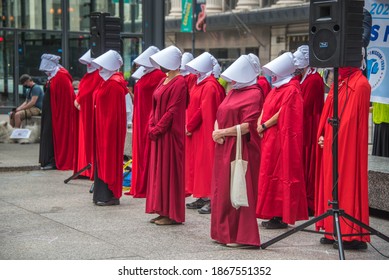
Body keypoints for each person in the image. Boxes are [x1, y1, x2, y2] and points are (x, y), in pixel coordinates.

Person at [315, 65, 371, 250]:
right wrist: (323, 133)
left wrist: (331, 137)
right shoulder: (338, 83)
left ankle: (351, 233)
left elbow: (354, 124)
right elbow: (328, 113)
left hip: (346, 146)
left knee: (346, 181)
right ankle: (332, 229)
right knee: (331, 184)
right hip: (333, 142)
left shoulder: (360, 84)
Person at [211, 53, 264, 247]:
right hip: (224, 144)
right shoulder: (235, 90)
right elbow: (221, 112)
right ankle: (223, 232)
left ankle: (238, 234)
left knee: (237, 188)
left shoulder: (254, 92)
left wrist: (221, 131)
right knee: (222, 189)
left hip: (239, 147)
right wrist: (217, 130)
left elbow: (248, 125)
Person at [256, 52, 308, 229]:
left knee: (278, 175)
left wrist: (263, 125)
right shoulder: (278, 88)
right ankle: (272, 212)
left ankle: (279, 215)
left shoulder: (292, 89)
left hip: (278, 138)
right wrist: (260, 123)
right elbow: (266, 106)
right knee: (268, 175)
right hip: (270, 137)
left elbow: (282, 113)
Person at [146, 45, 188, 225]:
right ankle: (161, 209)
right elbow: (154, 105)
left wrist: (157, 129)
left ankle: (171, 214)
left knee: (169, 171)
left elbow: (173, 110)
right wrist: (151, 124)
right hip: (159, 133)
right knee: (159, 172)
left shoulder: (179, 82)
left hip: (169, 135)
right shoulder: (163, 80)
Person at [184, 52, 225, 214]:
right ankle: (203, 195)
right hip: (198, 130)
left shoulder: (209, 85)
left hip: (205, 130)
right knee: (200, 164)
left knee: (207, 163)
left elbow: (204, 110)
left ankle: (211, 197)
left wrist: (190, 125)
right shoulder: (200, 82)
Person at [91, 50, 128, 206]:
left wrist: (107, 132)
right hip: (103, 127)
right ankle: (103, 194)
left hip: (109, 129)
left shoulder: (114, 84)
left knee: (109, 159)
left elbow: (114, 114)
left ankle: (110, 194)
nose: (99, 68)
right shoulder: (106, 81)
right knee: (103, 160)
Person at [128, 46, 166, 198]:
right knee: (140, 150)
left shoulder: (158, 75)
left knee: (146, 150)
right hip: (140, 117)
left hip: (148, 118)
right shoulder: (146, 74)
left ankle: (146, 184)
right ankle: (140, 184)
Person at [293, 45, 325, 216]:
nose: (295, 61)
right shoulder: (303, 77)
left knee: (309, 162)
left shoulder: (313, 80)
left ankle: (309, 200)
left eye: (299, 58)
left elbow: (304, 106)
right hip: (303, 124)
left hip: (310, 125)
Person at [39, 54, 75, 170]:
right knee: (47, 133)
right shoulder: (54, 76)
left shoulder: (61, 76)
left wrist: (58, 115)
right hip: (50, 111)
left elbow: (65, 100)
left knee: (51, 135)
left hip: (57, 113)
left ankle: (53, 160)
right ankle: (47, 160)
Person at [73, 50, 103, 179]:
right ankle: (83, 167)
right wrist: (78, 99)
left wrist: (79, 99)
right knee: (84, 139)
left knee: (89, 139)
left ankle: (89, 168)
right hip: (83, 112)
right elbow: (82, 91)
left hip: (90, 112)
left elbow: (89, 92)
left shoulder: (98, 75)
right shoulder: (88, 76)